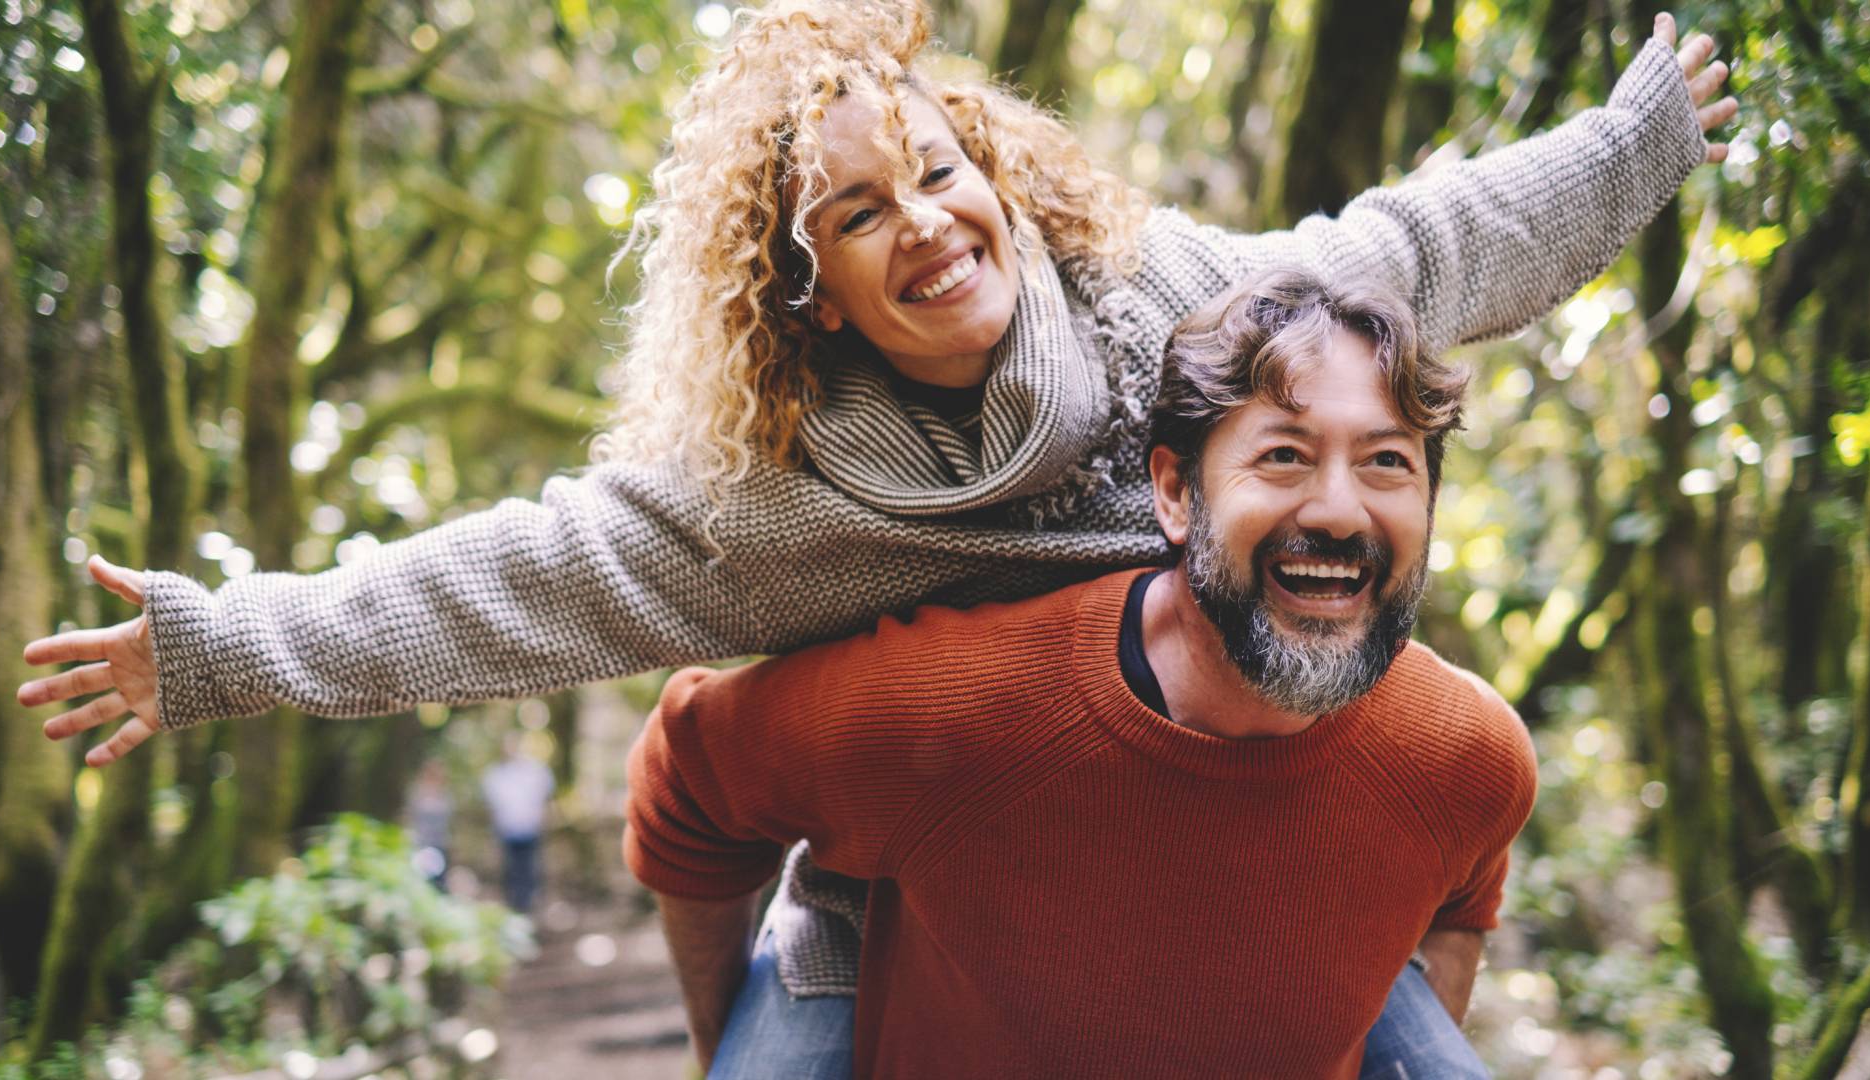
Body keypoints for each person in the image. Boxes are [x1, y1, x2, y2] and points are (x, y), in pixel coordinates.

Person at [14, 0, 1736, 1073]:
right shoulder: (772, 502)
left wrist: (1638, 138)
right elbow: (510, 580)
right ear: (810, 294)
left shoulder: (1166, 305)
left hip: (1240, 824)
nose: (924, 222)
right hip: (902, 875)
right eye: (856, 211)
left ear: (999, 176)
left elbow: (1422, 249)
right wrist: (218, 644)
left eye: (937, 169)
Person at [627, 267, 1533, 1077]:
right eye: (1283, 456)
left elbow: (1464, 891)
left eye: (1386, 462)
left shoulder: (1466, 756)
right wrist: (730, 1046)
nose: (1339, 511)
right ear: (1176, 494)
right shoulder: (960, 710)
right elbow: (690, 780)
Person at [482, 734, 558, 912]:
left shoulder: (535, 771)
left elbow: (546, 799)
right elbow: (491, 806)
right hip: (507, 830)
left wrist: (545, 820)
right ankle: (513, 906)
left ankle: (528, 906)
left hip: (530, 829)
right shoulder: (495, 775)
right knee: (510, 870)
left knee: (529, 868)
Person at [407, 757, 455, 887]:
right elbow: (412, 817)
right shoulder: (418, 793)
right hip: (421, 843)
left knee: (439, 883)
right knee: (421, 881)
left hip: (439, 843)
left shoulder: (445, 795)